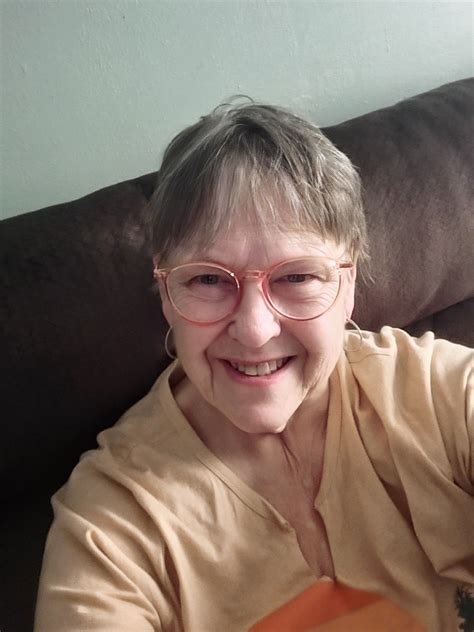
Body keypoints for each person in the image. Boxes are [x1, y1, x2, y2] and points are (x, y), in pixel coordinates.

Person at [35, 101, 473, 632]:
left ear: (348, 284)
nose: (255, 329)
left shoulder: (437, 391)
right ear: (166, 293)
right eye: (208, 279)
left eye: (297, 277)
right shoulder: (114, 524)